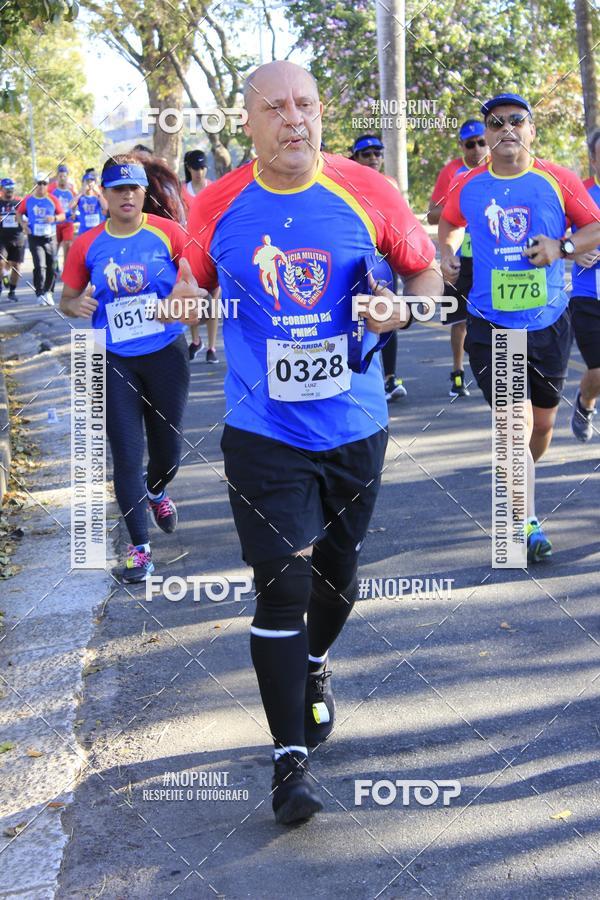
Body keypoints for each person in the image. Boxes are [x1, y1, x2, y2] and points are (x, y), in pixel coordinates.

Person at [184, 60, 442, 825]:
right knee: (283, 582)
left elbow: (427, 282)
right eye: (275, 108)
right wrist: (191, 306)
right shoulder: (215, 206)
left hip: (355, 425)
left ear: (320, 113)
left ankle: (317, 665)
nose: (293, 119)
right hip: (262, 429)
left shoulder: (370, 192)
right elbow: (191, 284)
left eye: (305, 105)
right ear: (248, 124)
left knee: (338, 580)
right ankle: (287, 758)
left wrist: (402, 310)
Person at [439, 93, 600, 562]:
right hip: (492, 325)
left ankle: (520, 485)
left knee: (541, 428)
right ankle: (524, 521)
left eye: (516, 120)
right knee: (514, 424)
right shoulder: (469, 185)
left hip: (549, 322)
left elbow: (595, 227)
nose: (505, 127)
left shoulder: (558, 180)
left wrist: (562, 248)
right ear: (486, 135)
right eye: (495, 122)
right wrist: (448, 252)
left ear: (531, 130)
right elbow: (448, 222)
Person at [60, 156, 202, 582]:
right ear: (103, 194)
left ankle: (156, 489)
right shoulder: (86, 245)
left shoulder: (169, 233)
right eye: (117, 189)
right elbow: (66, 298)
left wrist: (186, 294)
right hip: (112, 357)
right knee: (125, 453)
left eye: (133, 189)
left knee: (167, 452)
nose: (126, 195)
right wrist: (74, 305)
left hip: (164, 353)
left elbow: (195, 285)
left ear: (144, 193)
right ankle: (139, 547)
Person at [428, 120, 489, 397]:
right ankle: (457, 372)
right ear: (461, 146)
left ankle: (498, 372)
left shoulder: (501, 168)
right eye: (470, 144)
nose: (476, 148)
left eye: (481, 142)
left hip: (491, 259)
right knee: (460, 320)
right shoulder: (453, 171)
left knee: (495, 317)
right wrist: (462, 208)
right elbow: (433, 214)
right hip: (459, 258)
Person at [350, 134, 407, 401]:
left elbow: (399, 222)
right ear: (354, 157)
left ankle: (389, 378)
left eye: (377, 153)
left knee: (386, 315)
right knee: (354, 318)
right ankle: (354, 376)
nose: (373, 158)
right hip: (352, 262)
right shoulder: (344, 181)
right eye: (366, 154)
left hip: (383, 261)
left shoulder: (390, 184)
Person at [569, 129, 600, 442]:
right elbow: (553, 237)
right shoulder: (580, 194)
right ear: (593, 159)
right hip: (589, 295)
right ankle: (585, 402)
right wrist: (574, 249)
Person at [181, 149, 219, 364]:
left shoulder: (214, 188)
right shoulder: (181, 191)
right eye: (195, 168)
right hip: (188, 251)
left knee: (213, 300)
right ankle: (196, 341)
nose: (199, 172)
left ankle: (212, 347)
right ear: (189, 168)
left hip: (211, 250)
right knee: (190, 298)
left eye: (203, 168)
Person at [16, 174, 65, 305]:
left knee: (52, 266)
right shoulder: (28, 199)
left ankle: (48, 292)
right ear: (35, 184)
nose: (41, 186)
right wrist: (24, 225)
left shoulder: (52, 199)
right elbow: (19, 213)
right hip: (35, 238)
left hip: (50, 237)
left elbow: (62, 215)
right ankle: (40, 293)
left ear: (48, 185)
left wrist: (54, 219)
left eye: (44, 183)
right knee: (39, 265)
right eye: (39, 183)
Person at [0, 178, 26, 301]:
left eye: (12, 188)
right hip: (2, 239)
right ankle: (4, 277)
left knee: (16, 266)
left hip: (18, 238)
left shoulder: (19, 202)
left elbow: (28, 216)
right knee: (1, 263)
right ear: (2, 189)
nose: (10, 191)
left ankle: (12, 291)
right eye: (7, 189)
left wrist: (24, 221)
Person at [49, 164, 76, 270]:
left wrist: (74, 212)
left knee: (68, 245)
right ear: (57, 177)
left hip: (68, 222)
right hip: (56, 222)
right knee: (55, 245)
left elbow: (76, 203)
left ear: (67, 177)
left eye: (64, 176)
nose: (62, 178)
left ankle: (66, 268)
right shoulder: (53, 191)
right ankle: (54, 261)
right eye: (60, 176)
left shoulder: (71, 191)